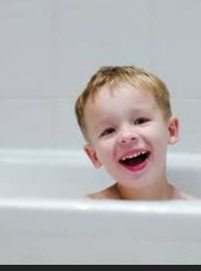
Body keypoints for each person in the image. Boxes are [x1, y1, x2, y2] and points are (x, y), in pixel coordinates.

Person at [74, 66, 194, 200]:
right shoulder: (89, 209)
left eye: (140, 121)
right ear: (94, 156)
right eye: (109, 131)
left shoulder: (195, 210)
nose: (126, 136)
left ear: (171, 130)